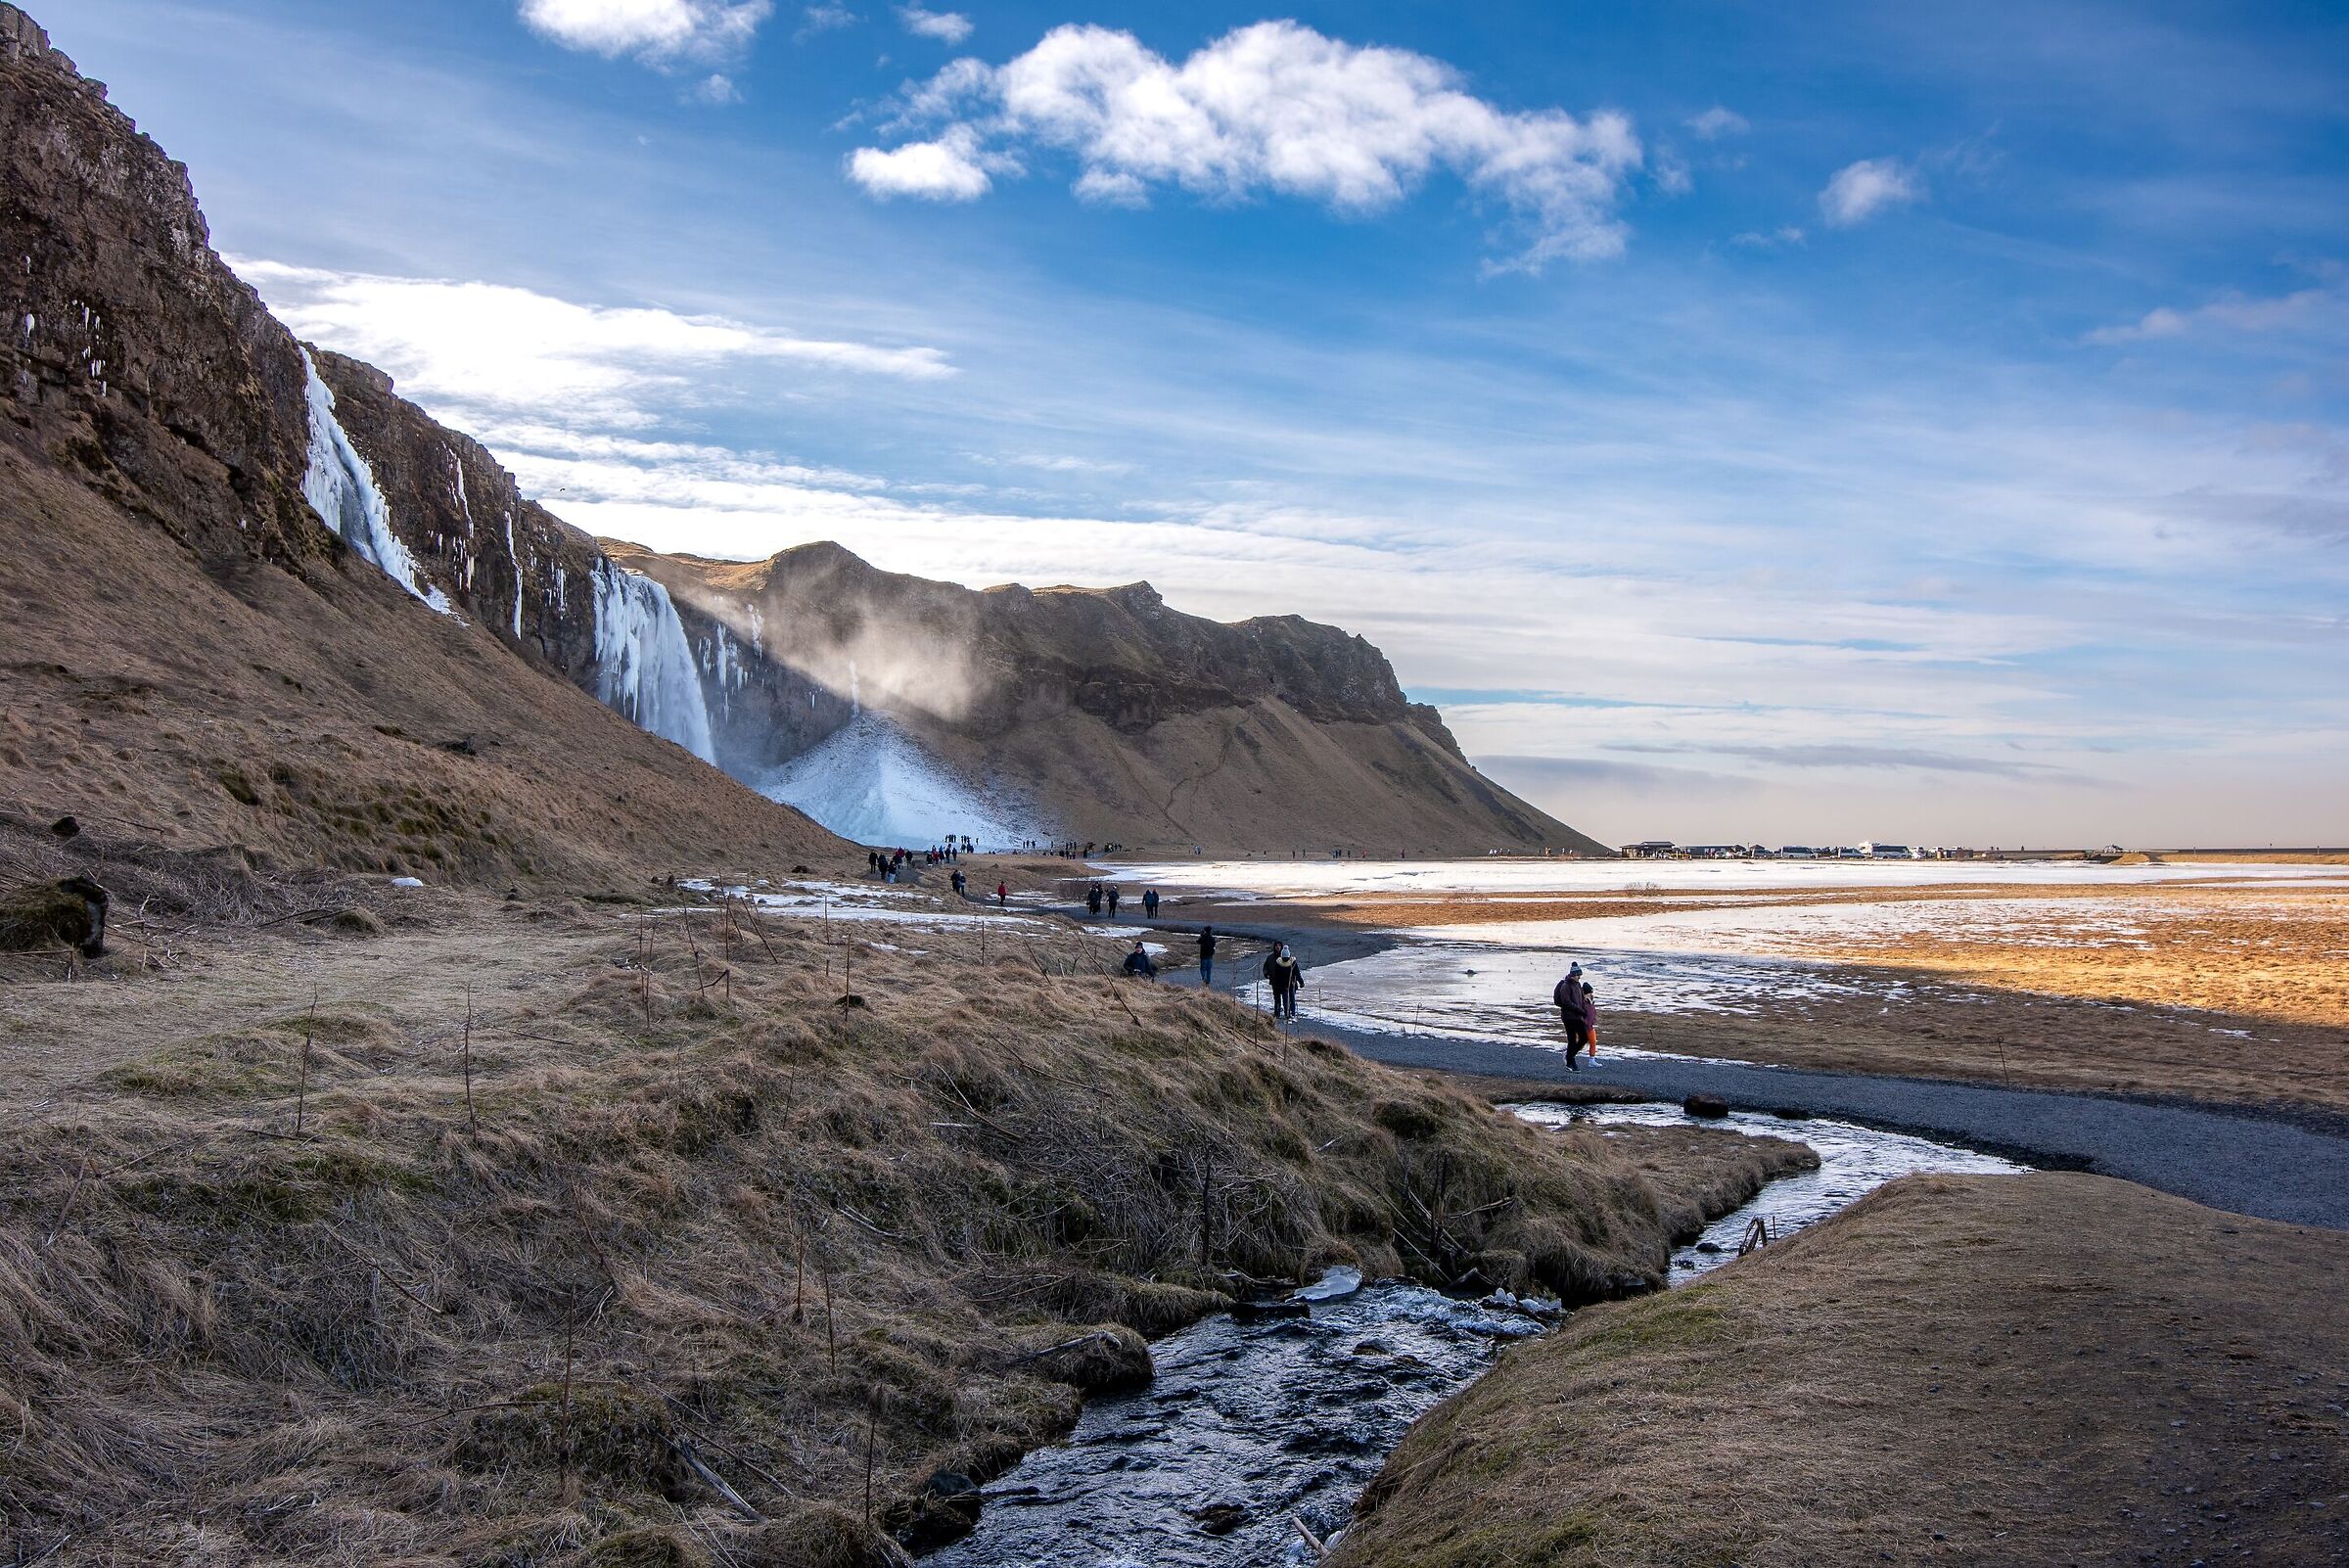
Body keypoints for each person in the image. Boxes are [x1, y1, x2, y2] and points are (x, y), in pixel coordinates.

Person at [1552, 962, 1592, 1068]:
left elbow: (1579, 999)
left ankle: (1569, 1057)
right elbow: (1566, 1002)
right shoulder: (1566, 985)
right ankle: (1570, 1060)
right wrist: (1580, 1011)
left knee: (1582, 1038)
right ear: (1573, 975)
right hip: (1569, 1017)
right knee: (1574, 1039)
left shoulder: (1577, 984)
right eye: (1578, 975)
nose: (1579, 977)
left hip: (1577, 1016)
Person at [1264, 944, 1305, 1020]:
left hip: (1284, 985)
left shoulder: (1279, 963)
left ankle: (1288, 1014)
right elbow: (1297, 973)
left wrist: (1275, 983)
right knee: (1291, 999)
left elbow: (1276, 975)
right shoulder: (1293, 962)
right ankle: (1291, 1014)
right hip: (1289, 984)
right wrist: (1301, 982)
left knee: (1287, 1000)